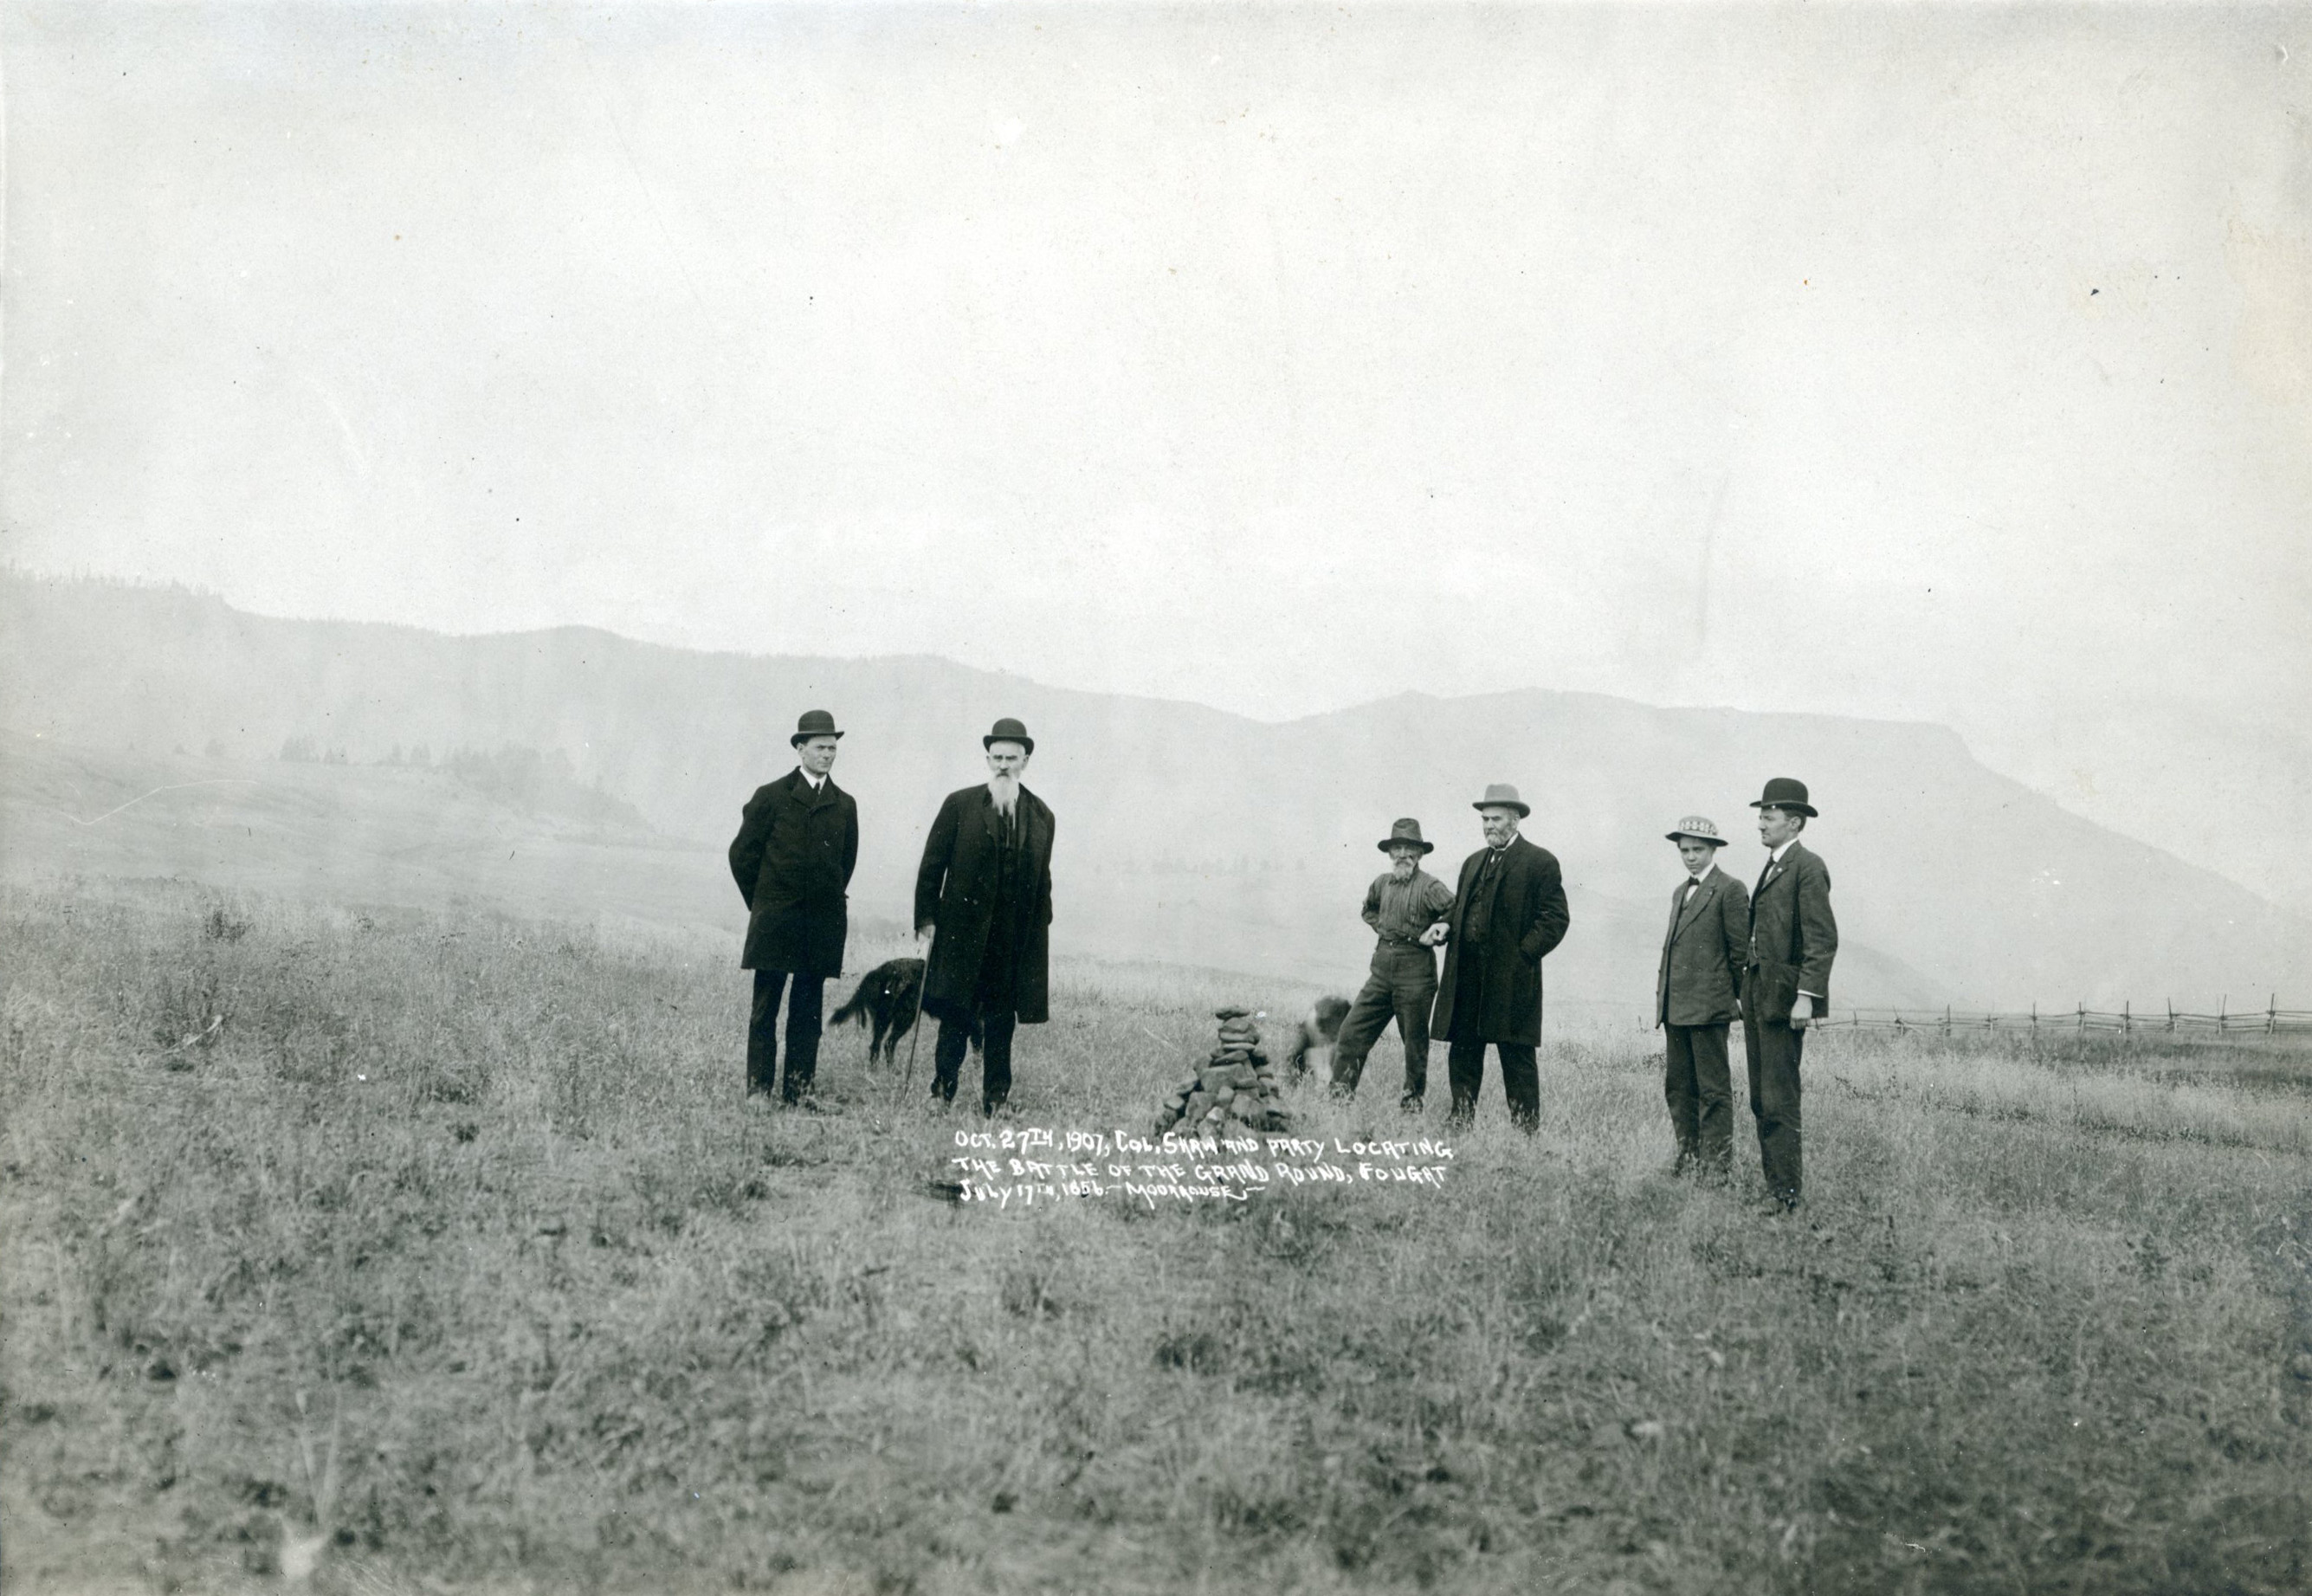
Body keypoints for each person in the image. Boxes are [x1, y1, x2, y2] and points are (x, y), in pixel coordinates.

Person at [914, 718, 1056, 1115]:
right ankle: (941, 1093)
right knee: (956, 1014)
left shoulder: (1042, 815)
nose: (1003, 765)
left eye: (1011, 758)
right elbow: (931, 867)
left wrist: (1039, 929)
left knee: (1000, 1022)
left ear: (1025, 761)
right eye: (997, 758)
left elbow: (1043, 879)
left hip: (1011, 942)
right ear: (987, 760)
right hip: (962, 934)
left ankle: (996, 1099)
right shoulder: (960, 805)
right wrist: (926, 919)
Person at [727, 709, 859, 1106]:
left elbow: (845, 865)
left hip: (820, 925)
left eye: (832, 748)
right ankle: (758, 1092)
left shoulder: (845, 805)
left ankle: (799, 1093)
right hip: (776, 922)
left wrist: (822, 902)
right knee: (765, 1009)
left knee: (808, 1012)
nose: (827, 755)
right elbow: (742, 856)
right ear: (800, 749)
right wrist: (764, 904)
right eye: (820, 748)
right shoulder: (770, 796)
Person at [1430, 784, 1571, 1131]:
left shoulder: (1540, 861)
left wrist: (1522, 957)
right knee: (1463, 1050)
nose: (1488, 826)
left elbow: (1555, 919)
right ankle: (1460, 1122)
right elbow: (1460, 907)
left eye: (1495, 819)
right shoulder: (1472, 862)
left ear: (1515, 820)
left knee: (1516, 1054)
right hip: (1467, 975)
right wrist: (1446, 923)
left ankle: (1525, 1132)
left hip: (1512, 979)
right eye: (1485, 819)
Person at [1742, 778, 1838, 1211]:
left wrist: (1806, 996)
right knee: (1760, 1097)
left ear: (1794, 822)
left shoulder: (1808, 866)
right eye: (1761, 816)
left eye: (1769, 816)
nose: (1761, 824)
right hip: (1759, 995)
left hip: (1784, 1000)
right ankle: (1776, 1187)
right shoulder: (1774, 865)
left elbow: (1821, 939)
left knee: (1779, 1096)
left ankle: (1785, 1195)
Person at [1329, 818, 1455, 1110]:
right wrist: (1385, 928)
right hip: (1381, 972)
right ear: (1389, 852)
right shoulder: (1381, 883)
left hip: (1416, 974)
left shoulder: (1430, 886)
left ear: (1419, 854)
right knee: (1351, 1033)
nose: (1402, 854)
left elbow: (1455, 909)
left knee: (1414, 1045)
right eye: (1396, 848)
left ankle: (1411, 1106)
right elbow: (1368, 909)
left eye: (1409, 849)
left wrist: (1438, 929)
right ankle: (1338, 1101)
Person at [1655, 815, 1748, 1178]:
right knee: (1678, 1088)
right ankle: (1689, 1158)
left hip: (1709, 1008)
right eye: (1685, 851)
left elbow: (1739, 953)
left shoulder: (1730, 889)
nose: (1691, 857)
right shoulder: (1680, 891)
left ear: (1713, 850)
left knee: (1713, 1091)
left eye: (1698, 850)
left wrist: (1738, 1000)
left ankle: (1716, 1168)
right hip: (1676, 1007)